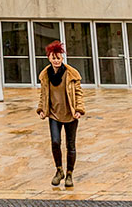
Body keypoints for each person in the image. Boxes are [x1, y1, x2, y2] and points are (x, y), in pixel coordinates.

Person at [36, 40, 86, 189]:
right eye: (54, 58)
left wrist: (79, 109)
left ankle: (70, 174)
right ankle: (59, 171)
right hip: (53, 115)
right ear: (49, 58)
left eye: (59, 58)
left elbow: (78, 93)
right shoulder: (45, 75)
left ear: (62, 58)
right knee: (55, 142)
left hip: (70, 114)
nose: (56, 60)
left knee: (71, 145)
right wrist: (41, 109)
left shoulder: (71, 74)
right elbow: (43, 95)